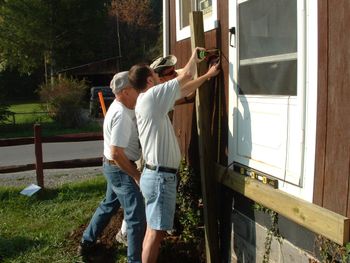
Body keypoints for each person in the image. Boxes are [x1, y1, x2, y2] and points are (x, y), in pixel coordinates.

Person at [128, 47, 220, 263]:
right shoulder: (152, 95)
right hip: (160, 178)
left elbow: (184, 89)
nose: (160, 77)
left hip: (156, 176)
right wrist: (196, 54)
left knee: (153, 230)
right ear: (150, 81)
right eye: (156, 75)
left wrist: (207, 76)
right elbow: (186, 74)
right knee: (155, 233)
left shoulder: (150, 99)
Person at [78, 71, 146, 263]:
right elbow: (117, 153)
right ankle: (135, 260)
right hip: (120, 167)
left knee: (109, 205)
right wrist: (136, 175)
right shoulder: (121, 115)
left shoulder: (124, 105)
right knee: (136, 216)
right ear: (125, 91)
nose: (140, 91)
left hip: (113, 166)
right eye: (136, 88)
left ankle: (86, 242)